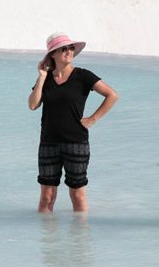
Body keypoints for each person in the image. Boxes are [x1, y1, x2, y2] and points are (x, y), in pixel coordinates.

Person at [28, 32, 117, 213]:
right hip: (48, 142)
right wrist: (42, 76)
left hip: (76, 143)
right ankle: (46, 240)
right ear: (53, 54)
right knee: (46, 197)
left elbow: (112, 95)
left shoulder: (83, 76)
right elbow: (33, 104)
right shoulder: (45, 78)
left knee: (77, 195)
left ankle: (79, 240)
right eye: (63, 49)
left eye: (71, 48)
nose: (69, 51)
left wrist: (93, 119)